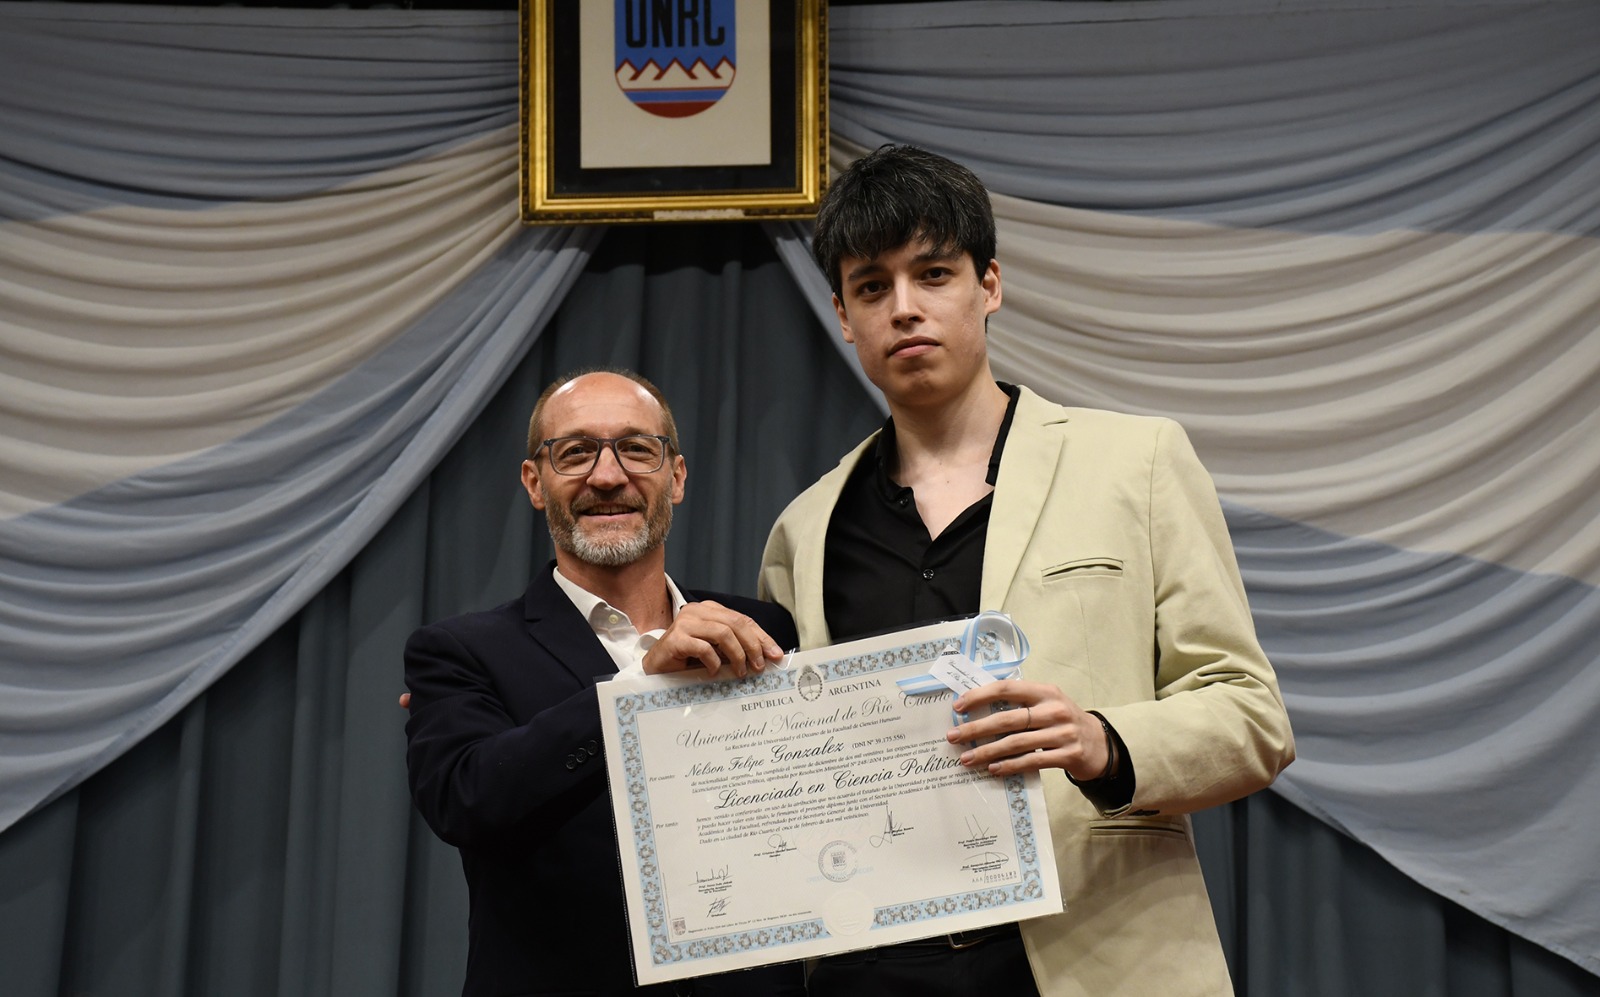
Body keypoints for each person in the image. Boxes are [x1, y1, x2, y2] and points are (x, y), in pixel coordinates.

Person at [756, 146, 1296, 996]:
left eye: (934, 274)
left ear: (990, 285)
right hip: (874, 970)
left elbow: (1252, 715)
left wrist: (1102, 740)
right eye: (872, 286)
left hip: (1096, 956)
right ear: (843, 315)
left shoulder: (1137, 461)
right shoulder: (805, 528)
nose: (904, 307)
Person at [402, 369, 806, 997]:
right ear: (535, 483)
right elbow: (468, 801)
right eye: (576, 452)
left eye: (637, 449)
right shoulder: (459, 651)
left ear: (677, 477)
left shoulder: (763, 630)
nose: (608, 476)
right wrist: (641, 685)